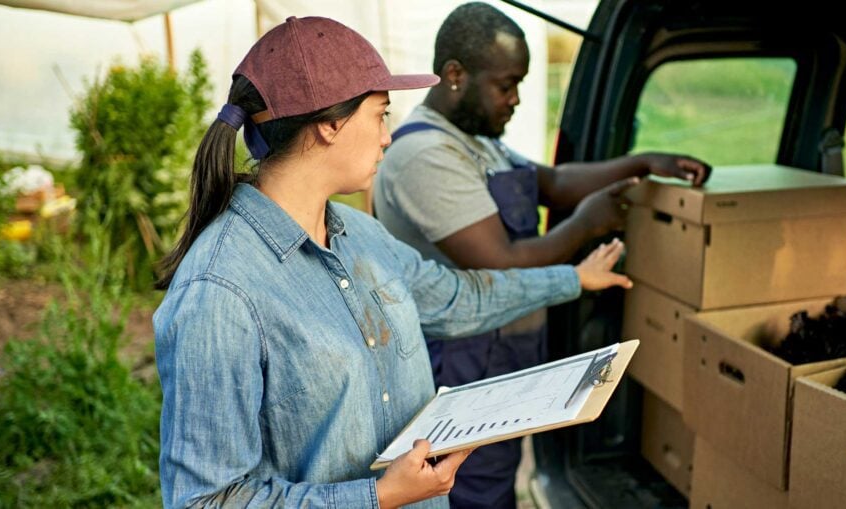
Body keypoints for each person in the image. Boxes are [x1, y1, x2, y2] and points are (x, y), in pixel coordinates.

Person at [152, 15, 633, 509]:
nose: (388, 136)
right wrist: (378, 496)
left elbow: (457, 299)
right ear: (330, 124)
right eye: (380, 114)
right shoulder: (219, 291)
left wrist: (573, 278)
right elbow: (205, 501)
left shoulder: (361, 236)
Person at [373, 3, 712, 508]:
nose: (514, 100)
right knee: (471, 491)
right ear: (454, 75)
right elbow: (500, 260)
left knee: (496, 478)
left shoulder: (478, 141)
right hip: (458, 370)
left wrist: (642, 161)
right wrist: (589, 224)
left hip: (500, 358)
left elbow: (551, 183)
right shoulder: (424, 155)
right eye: (505, 85)